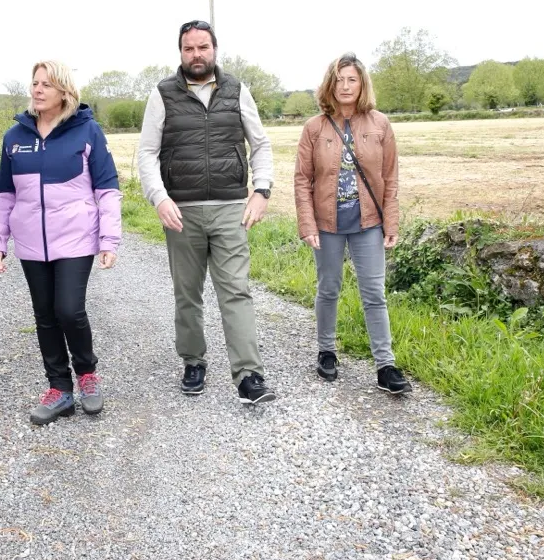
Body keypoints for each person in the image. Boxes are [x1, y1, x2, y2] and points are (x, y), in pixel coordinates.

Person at [136, 20, 277, 405]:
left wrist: (261, 190)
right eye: (188, 49)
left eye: (203, 47)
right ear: (180, 52)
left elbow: (260, 145)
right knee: (187, 294)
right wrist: (159, 198)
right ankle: (193, 361)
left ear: (215, 49)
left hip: (232, 207)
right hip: (182, 211)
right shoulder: (162, 94)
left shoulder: (237, 90)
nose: (196, 55)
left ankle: (249, 375)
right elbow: (146, 153)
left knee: (236, 291)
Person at [0, 60, 122, 425]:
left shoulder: (87, 131)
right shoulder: (15, 138)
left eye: (46, 83)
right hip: (31, 243)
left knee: (69, 309)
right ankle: (59, 388)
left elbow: (107, 189)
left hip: (77, 239)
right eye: (34, 83)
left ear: (64, 90)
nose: (38, 89)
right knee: (45, 315)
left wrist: (109, 239)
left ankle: (87, 376)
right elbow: (4, 194)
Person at [293, 52, 411, 395]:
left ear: (362, 85)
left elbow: (390, 178)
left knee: (374, 294)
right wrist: (308, 225)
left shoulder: (380, 124)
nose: (345, 86)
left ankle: (385, 365)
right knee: (328, 288)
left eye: (352, 80)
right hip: (327, 223)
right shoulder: (314, 128)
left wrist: (391, 223)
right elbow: (302, 180)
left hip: (369, 223)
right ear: (330, 85)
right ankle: (327, 351)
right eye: (339, 80)